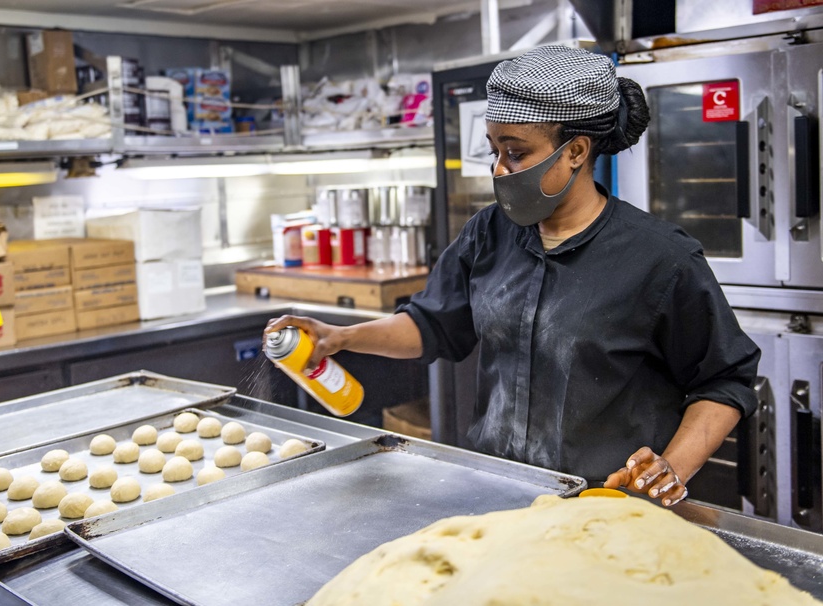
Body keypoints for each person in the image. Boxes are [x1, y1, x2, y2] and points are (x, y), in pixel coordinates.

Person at [264, 45, 760, 507]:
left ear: (576, 151)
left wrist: (670, 468)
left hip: (606, 506)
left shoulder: (660, 258)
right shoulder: (490, 232)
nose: (500, 169)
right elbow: (432, 323)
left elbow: (724, 380)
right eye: (494, 150)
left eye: (516, 152)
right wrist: (342, 337)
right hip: (499, 494)